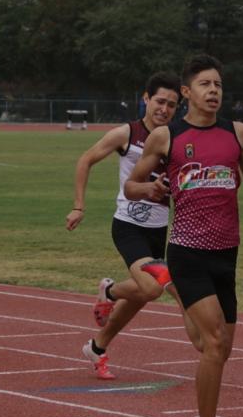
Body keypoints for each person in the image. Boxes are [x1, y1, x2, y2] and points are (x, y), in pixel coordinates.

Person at [125, 54, 243, 417]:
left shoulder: (237, 133)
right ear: (188, 93)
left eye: (219, 85)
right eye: (206, 85)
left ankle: (171, 289)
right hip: (188, 250)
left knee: (217, 348)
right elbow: (132, 185)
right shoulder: (166, 137)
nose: (214, 92)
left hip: (227, 253)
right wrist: (151, 191)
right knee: (213, 342)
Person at [66, 72, 199, 380]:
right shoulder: (127, 133)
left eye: (171, 105)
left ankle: (98, 346)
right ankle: (111, 292)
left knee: (142, 295)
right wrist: (78, 206)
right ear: (145, 99)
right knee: (153, 287)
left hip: (159, 229)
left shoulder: (176, 138)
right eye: (159, 102)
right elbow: (85, 160)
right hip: (128, 225)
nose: (164, 109)